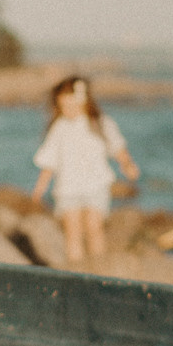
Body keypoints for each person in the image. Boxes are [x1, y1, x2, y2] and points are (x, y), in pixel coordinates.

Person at [31, 76, 138, 266]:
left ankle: (98, 268)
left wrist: (127, 165)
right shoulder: (60, 127)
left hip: (96, 185)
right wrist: (39, 190)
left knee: (94, 228)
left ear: (84, 100)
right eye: (63, 106)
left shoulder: (99, 123)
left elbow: (117, 148)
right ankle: (77, 271)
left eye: (72, 105)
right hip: (67, 188)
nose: (68, 110)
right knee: (72, 233)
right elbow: (49, 163)